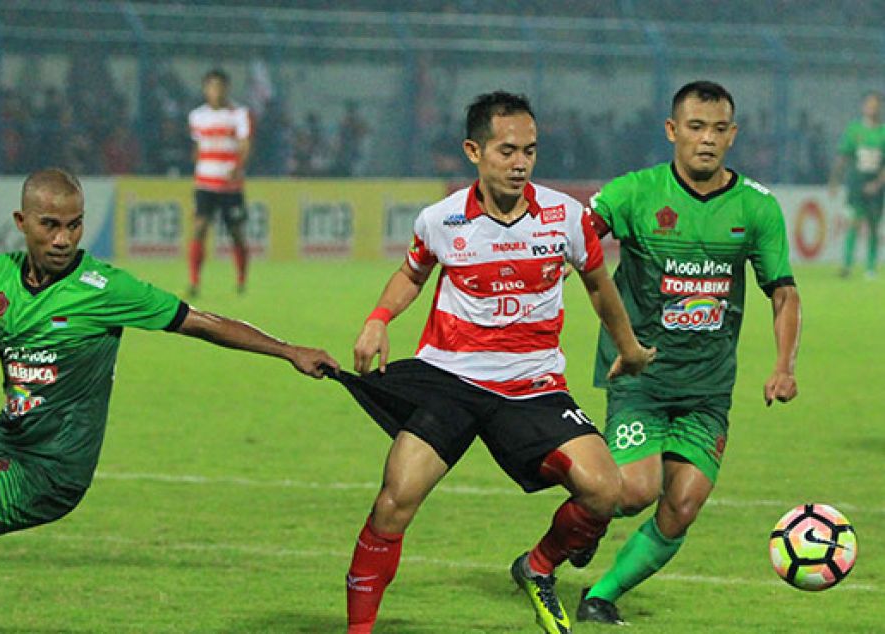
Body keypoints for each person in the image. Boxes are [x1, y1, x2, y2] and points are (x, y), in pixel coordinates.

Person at [0, 168, 338, 634]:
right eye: (50, 225)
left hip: (51, 470)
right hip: (2, 438)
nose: (63, 239)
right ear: (21, 223)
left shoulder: (106, 289)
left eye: (74, 225)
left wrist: (288, 350)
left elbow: (200, 322)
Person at [330, 91, 654, 634]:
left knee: (604, 491)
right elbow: (412, 273)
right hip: (450, 378)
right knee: (395, 499)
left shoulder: (567, 218)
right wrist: (379, 317)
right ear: (473, 151)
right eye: (506, 151)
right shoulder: (442, 219)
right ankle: (358, 630)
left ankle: (538, 566)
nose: (520, 162)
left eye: (529, 149)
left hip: (533, 384)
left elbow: (599, 285)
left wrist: (628, 347)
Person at [575, 80, 802, 625]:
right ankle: (577, 528)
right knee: (632, 493)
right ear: (672, 131)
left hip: (707, 387)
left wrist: (783, 366)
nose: (707, 140)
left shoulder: (756, 207)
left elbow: (784, 293)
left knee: (680, 507)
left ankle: (599, 597)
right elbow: (574, 243)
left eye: (719, 129)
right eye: (696, 128)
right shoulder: (635, 193)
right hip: (639, 375)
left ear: (733, 135)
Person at [187, 68, 252, 296]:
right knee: (199, 229)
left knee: (236, 232)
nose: (216, 91)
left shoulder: (239, 114)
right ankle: (194, 282)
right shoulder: (197, 116)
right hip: (205, 183)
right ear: (206, 89)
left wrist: (237, 166)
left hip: (230, 186)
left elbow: (245, 144)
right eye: (212, 87)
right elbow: (197, 146)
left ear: (227, 88)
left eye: (220, 87)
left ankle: (241, 279)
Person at [828, 91, 885, 279]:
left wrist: (878, 183)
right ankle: (847, 265)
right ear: (863, 107)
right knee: (852, 222)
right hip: (856, 183)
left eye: (875, 104)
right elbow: (843, 156)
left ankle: (870, 267)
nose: (872, 108)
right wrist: (834, 181)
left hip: (876, 185)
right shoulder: (854, 130)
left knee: (873, 226)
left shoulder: (883, 131)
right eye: (869, 104)